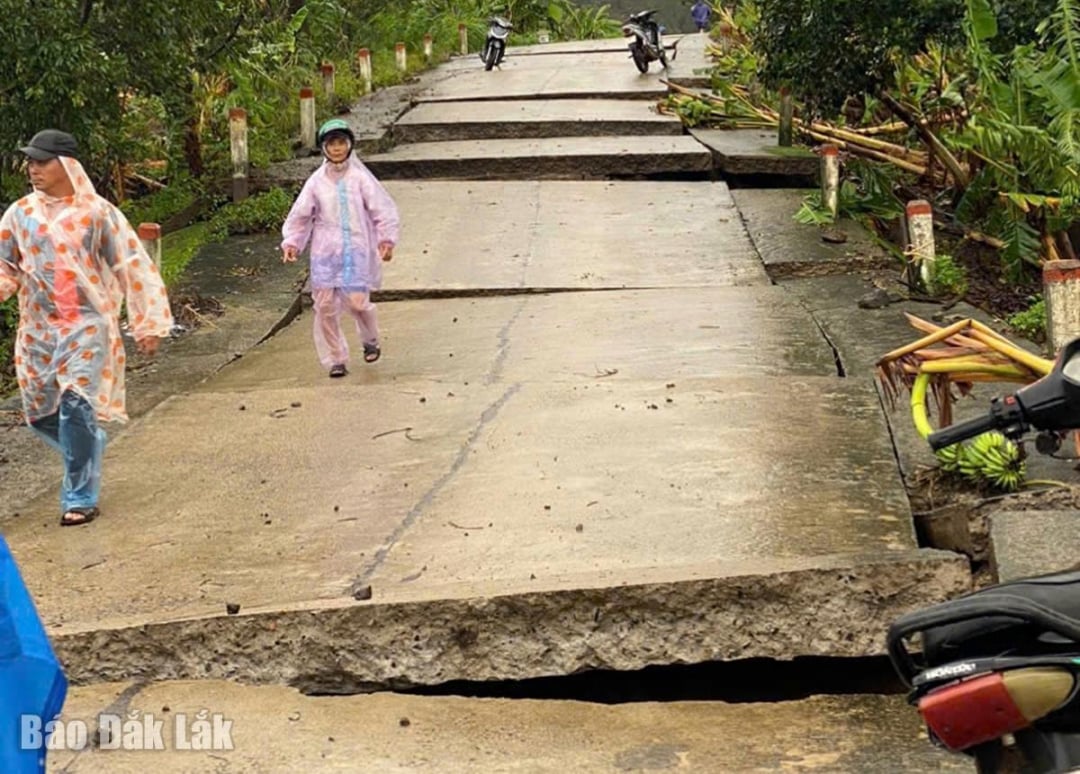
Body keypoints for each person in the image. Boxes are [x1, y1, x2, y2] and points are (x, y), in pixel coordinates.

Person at [0, 129, 173, 526]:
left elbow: (131, 265)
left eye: (42, 161)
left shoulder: (99, 213)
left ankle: (78, 497)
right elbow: (6, 264)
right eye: (30, 161)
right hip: (38, 331)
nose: (33, 168)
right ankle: (88, 446)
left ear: (66, 165)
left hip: (88, 325)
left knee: (76, 403)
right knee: (40, 413)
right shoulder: (20, 214)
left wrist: (146, 321)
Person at [281, 118, 400, 378]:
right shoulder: (316, 182)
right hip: (325, 253)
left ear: (349, 145)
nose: (336, 148)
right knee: (324, 308)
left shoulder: (360, 179)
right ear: (324, 148)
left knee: (358, 303)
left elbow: (382, 209)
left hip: (356, 251)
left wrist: (386, 239)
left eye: (341, 143)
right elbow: (300, 215)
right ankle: (336, 358)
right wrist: (292, 242)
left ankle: (370, 340)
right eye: (331, 143)